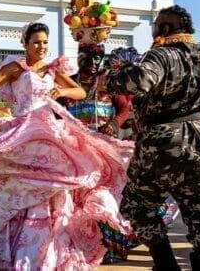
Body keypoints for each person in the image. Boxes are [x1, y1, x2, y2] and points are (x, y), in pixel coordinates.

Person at [0, 22, 134, 270]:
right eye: (36, 42)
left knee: (56, 187)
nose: (41, 47)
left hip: (50, 132)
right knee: (21, 184)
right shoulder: (16, 68)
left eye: (45, 42)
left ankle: (48, 247)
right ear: (25, 44)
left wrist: (61, 89)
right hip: (24, 131)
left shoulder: (51, 68)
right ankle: (18, 246)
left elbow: (78, 91)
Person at [105, 5, 200, 270]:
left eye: (157, 25)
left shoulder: (160, 56)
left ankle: (165, 263)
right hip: (199, 139)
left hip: (163, 141)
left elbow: (140, 81)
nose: (154, 30)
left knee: (137, 204)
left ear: (166, 28)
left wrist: (114, 76)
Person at [60, 41, 138, 264]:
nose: (95, 63)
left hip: (105, 149)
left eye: (99, 57)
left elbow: (124, 109)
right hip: (75, 152)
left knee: (106, 196)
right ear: (79, 58)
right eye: (90, 57)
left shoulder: (108, 81)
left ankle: (111, 245)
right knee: (78, 198)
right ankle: (82, 243)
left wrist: (113, 124)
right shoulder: (69, 84)